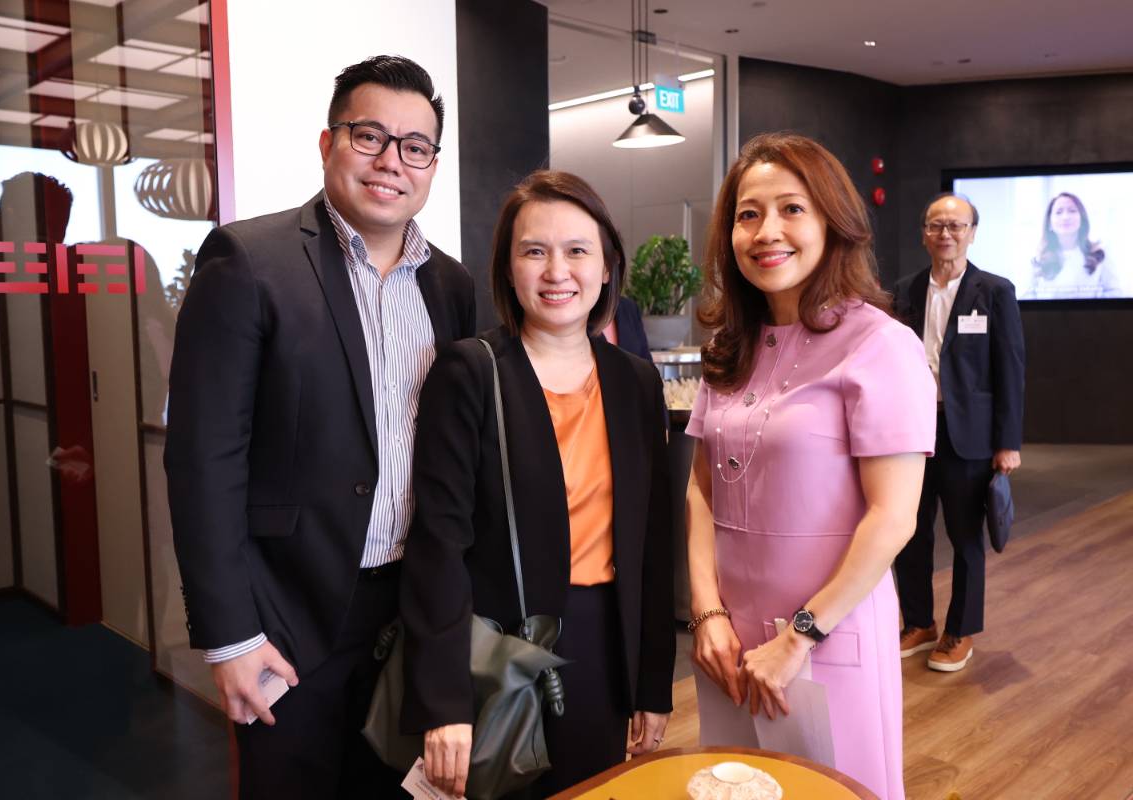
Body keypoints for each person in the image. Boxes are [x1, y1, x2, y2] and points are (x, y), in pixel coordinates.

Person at [164, 55, 475, 799]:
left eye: (415, 146)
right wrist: (230, 637)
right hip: (289, 617)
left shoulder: (452, 286)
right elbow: (203, 458)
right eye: (369, 136)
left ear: (432, 164)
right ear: (328, 142)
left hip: (411, 610)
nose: (391, 161)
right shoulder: (250, 261)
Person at [399, 170, 675, 798]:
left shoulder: (635, 382)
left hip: (605, 648)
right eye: (534, 251)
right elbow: (438, 546)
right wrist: (444, 701)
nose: (557, 272)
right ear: (508, 266)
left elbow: (652, 545)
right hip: (499, 654)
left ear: (606, 265)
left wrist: (652, 683)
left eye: (577, 250)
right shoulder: (471, 371)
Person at [685, 132, 935, 800]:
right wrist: (706, 615)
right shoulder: (729, 346)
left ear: (833, 222)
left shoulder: (882, 345)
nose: (767, 231)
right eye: (748, 214)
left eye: (792, 209)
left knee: (834, 789)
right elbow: (701, 492)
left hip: (827, 632)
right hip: (730, 643)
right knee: (737, 788)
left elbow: (893, 517)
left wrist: (799, 637)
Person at [893, 193, 1025, 672]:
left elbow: (1010, 369)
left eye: (955, 225)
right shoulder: (905, 291)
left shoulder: (994, 291)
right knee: (908, 531)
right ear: (923, 233)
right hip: (912, 430)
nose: (945, 233)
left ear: (972, 233)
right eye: (936, 225)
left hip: (966, 432)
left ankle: (960, 629)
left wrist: (1007, 442)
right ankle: (919, 622)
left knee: (965, 535)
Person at [1024, 192, 1119, 299]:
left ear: (1082, 219)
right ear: (1049, 222)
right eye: (1059, 212)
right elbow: (1026, 297)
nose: (1065, 217)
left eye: (1072, 211)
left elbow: (1115, 293)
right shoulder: (1038, 258)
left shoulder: (1099, 254)